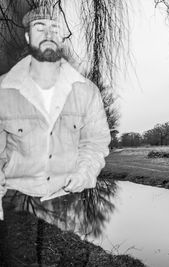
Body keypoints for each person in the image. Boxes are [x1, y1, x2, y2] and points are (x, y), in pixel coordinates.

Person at [0, 5, 111, 221]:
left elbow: (95, 143)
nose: (49, 34)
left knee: (69, 255)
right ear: (26, 36)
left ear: (63, 36)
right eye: (40, 27)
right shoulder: (3, 90)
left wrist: (84, 173)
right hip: (15, 199)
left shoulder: (87, 91)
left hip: (70, 201)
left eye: (55, 28)